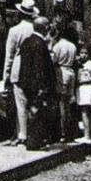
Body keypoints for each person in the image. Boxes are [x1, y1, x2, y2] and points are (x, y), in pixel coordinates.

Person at [1, 0, 39, 146]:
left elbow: (9, 56)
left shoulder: (14, 30)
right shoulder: (35, 29)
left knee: (20, 104)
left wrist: (6, 76)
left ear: (20, 13)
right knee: (33, 102)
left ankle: (22, 134)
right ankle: (34, 132)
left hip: (18, 69)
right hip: (34, 69)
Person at [17, 16, 56, 150]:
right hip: (36, 85)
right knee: (37, 112)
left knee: (31, 111)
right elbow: (39, 67)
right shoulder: (40, 43)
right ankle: (34, 142)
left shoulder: (26, 41)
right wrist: (41, 87)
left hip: (25, 83)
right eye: (48, 27)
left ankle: (32, 140)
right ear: (45, 28)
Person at [52, 27, 78, 143]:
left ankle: (63, 132)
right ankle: (71, 130)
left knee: (62, 103)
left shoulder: (57, 46)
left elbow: (53, 60)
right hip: (71, 72)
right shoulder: (73, 46)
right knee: (69, 104)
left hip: (61, 72)